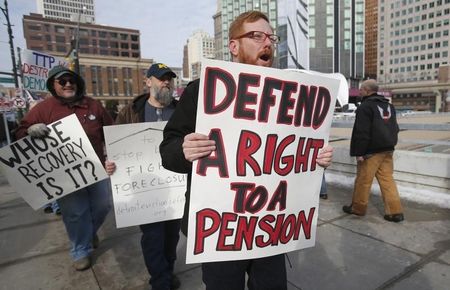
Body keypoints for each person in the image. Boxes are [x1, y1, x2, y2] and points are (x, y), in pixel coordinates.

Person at [159, 11, 334, 290]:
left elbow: (289, 155)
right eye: (256, 36)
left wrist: (315, 158)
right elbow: (167, 151)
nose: (267, 43)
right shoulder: (202, 91)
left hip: (269, 228)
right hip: (221, 231)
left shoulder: (288, 97)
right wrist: (184, 150)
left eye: (271, 37)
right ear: (233, 46)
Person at [16, 65, 114, 270]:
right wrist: (30, 130)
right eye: (62, 81)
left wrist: (113, 155)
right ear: (53, 86)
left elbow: (111, 132)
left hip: (96, 168)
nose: (68, 84)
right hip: (65, 175)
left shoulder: (93, 105)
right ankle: (80, 250)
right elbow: (20, 132)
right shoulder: (44, 108)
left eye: (72, 80)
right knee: (75, 213)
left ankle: (86, 234)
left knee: (103, 205)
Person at [104, 63, 181, 290]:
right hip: (144, 191)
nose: (166, 82)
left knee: (172, 237)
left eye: (169, 78)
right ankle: (160, 281)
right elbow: (116, 147)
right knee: (153, 238)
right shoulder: (131, 112)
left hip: (176, 188)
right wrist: (110, 164)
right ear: (148, 82)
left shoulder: (181, 110)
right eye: (160, 78)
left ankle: (168, 270)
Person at [342, 79, 404, 222]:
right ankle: (395, 212)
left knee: (363, 180)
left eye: (361, 89)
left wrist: (359, 153)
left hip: (371, 151)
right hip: (388, 150)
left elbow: (362, 132)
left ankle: (358, 208)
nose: (359, 92)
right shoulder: (389, 106)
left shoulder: (365, 107)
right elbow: (395, 128)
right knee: (388, 180)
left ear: (368, 91)